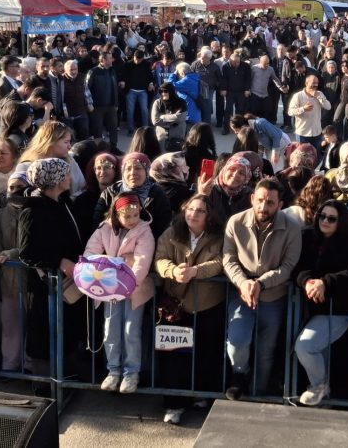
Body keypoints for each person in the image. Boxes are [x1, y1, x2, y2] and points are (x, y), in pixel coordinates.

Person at [222, 178, 302, 399]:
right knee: (237, 342)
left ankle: (259, 393)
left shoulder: (292, 228)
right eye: (259, 201)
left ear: (280, 205)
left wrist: (262, 283)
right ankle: (240, 375)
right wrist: (243, 282)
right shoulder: (235, 222)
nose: (263, 207)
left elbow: (288, 266)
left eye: (269, 203)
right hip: (242, 293)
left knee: (267, 351)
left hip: (274, 295)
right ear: (252, 199)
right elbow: (228, 259)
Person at [155, 194, 226, 425]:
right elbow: (160, 258)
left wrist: (196, 271)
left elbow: (220, 261)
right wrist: (173, 271)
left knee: (206, 352)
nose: (193, 214)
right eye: (190, 209)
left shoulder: (218, 236)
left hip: (207, 303)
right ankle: (174, 404)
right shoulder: (171, 232)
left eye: (200, 211)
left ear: (209, 215)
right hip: (176, 304)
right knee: (175, 355)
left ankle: (201, 395)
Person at [293, 200, 348, 406]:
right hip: (311, 308)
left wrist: (325, 283)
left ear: (341, 221)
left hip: (338, 310)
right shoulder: (307, 237)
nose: (325, 221)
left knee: (306, 347)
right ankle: (323, 396)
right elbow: (297, 266)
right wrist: (307, 282)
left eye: (331, 218)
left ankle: (318, 386)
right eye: (322, 216)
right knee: (319, 352)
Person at [16, 158, 84, 382]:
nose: (69, 178)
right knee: (43, 332)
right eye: (65, 174)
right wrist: (60, 261)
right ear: (54, 180)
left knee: (69, 328)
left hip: (67, 282)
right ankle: (45, 383)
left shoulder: (64, 202)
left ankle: (67, 377)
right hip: (45, 285)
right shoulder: (33, 210)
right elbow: (27, 252)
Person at [84, 193, 155, 394]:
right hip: (109, 288)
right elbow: (91, 252)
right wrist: (107, 264)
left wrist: (129, 281)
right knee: (110, 328)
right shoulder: (103, 228)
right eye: (127, 217)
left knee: (131, 330)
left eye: (135, 215)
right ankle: (113, 371)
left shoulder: (144, 231)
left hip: (135, 289)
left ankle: (131, 373)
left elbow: (143, 260)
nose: (132, 221)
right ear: (116, 213)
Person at [94, 152, 171, 237]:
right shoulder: (110, 193)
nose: (133, 172)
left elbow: (162, 228)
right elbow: (97, 224)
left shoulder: (157, 194)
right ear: (123, 171)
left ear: (146, 171)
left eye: (138, 168)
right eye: (128, 168)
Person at [287, 73, 331, 153]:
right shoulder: (298, 96)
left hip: (316, 133)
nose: (315, 85)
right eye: (313, 83)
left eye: (317, 83)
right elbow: (290, 112)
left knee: (316, 157)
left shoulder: (320, 94)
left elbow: (328, 107)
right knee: (302, 158)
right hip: (302, 133)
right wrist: (303, 108)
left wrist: (319, 97)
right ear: (306, 83)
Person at [86, 47, 120, 149]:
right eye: (110, 58)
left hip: (111, 106)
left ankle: (114, 147)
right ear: (103, 60)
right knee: (97, 130)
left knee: (113, 128)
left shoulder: (112, 71)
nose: (112, 60)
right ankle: (99, 150)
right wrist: (89, 104)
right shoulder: (93, 72)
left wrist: (116, 104)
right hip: (97, 107)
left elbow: (115, 88)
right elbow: (86, 88)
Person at [151, 83, 187, 149]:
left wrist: (163, 117)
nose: (163, 93)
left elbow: (180, 118)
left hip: (177, 136)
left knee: (176, 156)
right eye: (161, 91)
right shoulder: (157, 103)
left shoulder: (181, 102)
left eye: (166, 91)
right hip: (162, 137)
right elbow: (155, 121)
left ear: (171, 91)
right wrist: (173, 118)